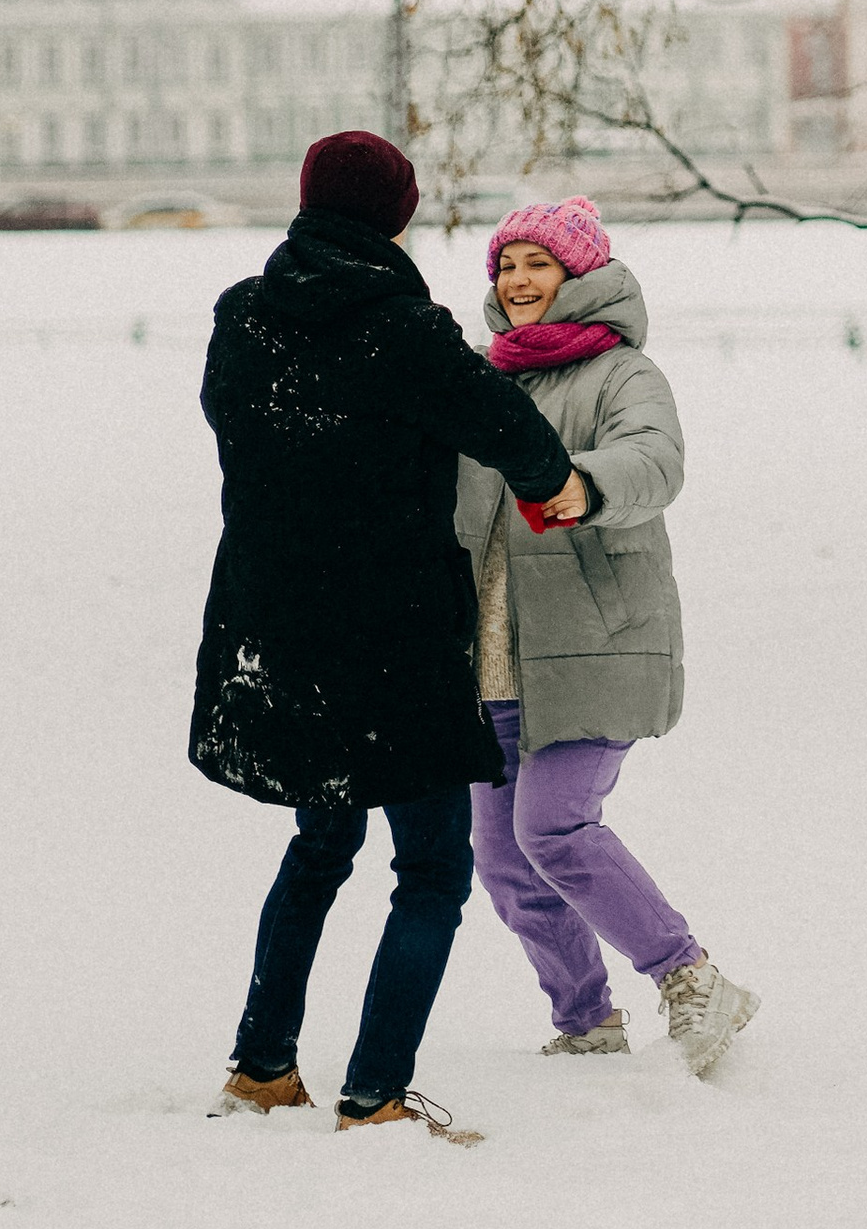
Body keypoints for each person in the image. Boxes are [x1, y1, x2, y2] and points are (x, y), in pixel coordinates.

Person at [190, 128, 591, 1141]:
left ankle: (263, 1066)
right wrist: (560, 489)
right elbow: (507, 429)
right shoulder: (404, 330)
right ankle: (374, 1094)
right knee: (433, 868)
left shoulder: (244, 317)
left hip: (276, 629)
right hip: (391, 636)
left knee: (320, 838)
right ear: (397, 214)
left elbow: (241, 427)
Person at [457, 193, 758, 1077]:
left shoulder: (623, 374)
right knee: (506, 862)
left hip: (597, 641)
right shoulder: (481, 378)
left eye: (537, 264)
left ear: (579, 274)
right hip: (495, 657)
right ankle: (585, 1019)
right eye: (507, 265)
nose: (518, 281)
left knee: (553, 827)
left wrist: (584, 483)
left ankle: (694, 980)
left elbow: (655, 459)